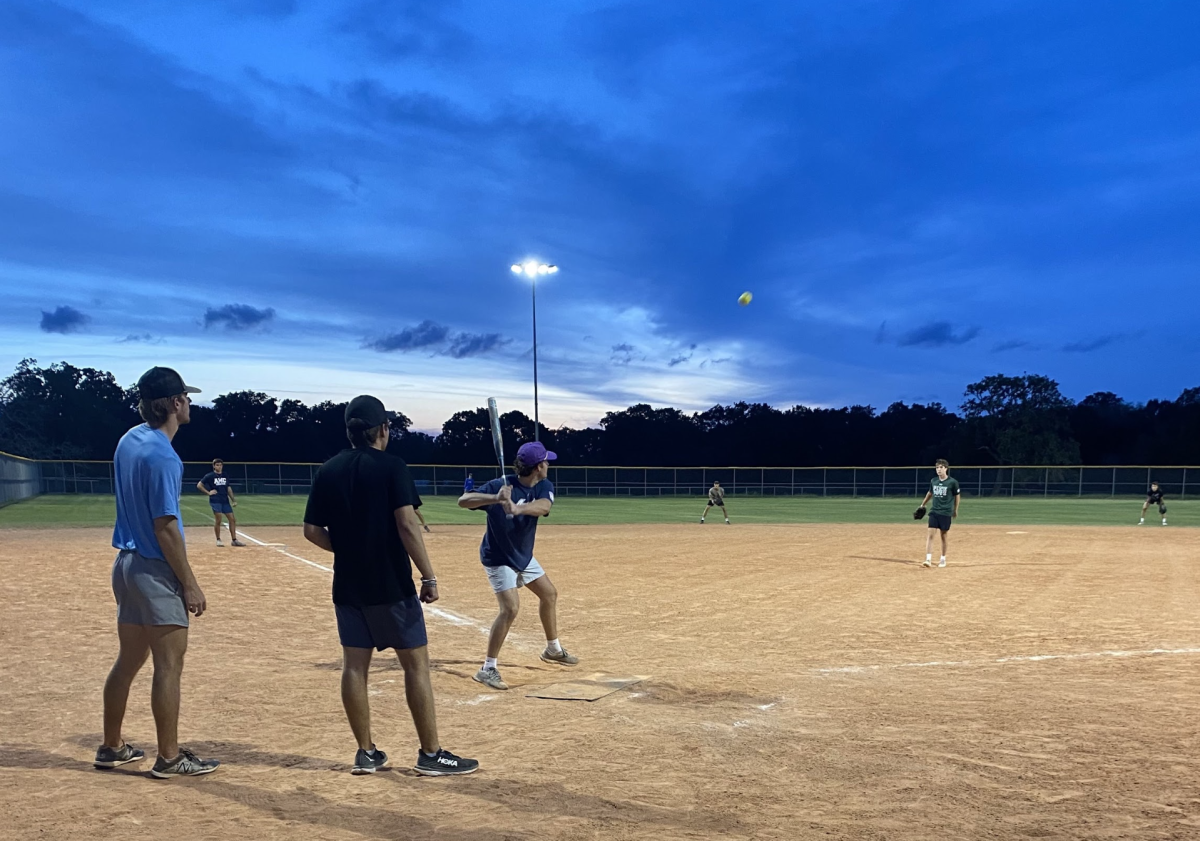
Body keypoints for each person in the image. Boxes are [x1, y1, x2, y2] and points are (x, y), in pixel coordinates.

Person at [303, 395, 478, 777]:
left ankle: (366, 753)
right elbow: (407, 524)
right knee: (415, 666)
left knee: (354, 667)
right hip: (390, 584)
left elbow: (312, 531)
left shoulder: (328, 470)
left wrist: (348, 550)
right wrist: (428, 575)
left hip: (348, 585)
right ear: (383, 429)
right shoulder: (392, 466)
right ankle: (430, 754)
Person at [96, 366, 220, 778]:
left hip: (126, 567)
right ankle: (169, 757)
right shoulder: (164, 456)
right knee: (168, 665)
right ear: (173, 404)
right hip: (153, 569)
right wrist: (190, 583)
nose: (188, 403)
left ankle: (112, 747)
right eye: (184, 397)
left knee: (128, 660)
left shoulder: (130, 439)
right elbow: (165, 527)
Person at [458, 441, 578, 691]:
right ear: (537, 466)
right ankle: (487, 668)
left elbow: (544, 506)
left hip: (523, 556)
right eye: (546, 462)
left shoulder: (543, 486)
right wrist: (495, 498)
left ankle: (553, 650)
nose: (548, 465)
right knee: (510, 608)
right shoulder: (500, 485)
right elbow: (464, 500)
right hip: (499, 557)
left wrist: (517, 507)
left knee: (549, 594)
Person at [916, 459, 960, 568]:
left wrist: (955, 509)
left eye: (941, 467)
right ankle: (928, 559)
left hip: (945, 512)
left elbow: (957, 496)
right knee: (930, 535)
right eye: (937, 467)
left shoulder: (952, 482)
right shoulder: (933, 481)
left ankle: (943, 559)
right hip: (934, 511)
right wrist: (923, 504)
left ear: (946, 468)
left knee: (943, 536)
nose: (938, 469)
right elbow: (930, 493)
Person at [196, 459, 245, 547]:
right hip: (215, 500)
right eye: (217, 465)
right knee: (218, 519)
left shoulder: (225, 475)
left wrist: (233, 499)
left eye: (220, 465)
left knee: (232, 519)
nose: (219, 466)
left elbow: (228, 488)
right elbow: (199, 485)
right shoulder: (210, 476)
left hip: (225, 500)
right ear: (214, 466)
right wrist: (208, 492)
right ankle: (218, 539)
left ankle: (234, 540)